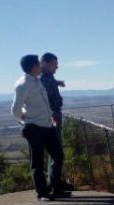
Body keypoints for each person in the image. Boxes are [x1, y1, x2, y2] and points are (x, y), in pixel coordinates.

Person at [11, 54, 70, 201]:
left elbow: (43, 102)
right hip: (35, 128)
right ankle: (42, 193)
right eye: (38, 64)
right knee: (37, 162)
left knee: (57, 155)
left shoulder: (36, 81)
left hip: (47, 125)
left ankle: (55, 187)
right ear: (33, 66)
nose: (40, 66)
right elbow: (15, 108)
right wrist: (24, 118)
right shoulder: (23, 84)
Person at [40, 52, 73, 192]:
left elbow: (49, 82)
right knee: (56, 152)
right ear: (45, 64)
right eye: (55, 64)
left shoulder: (47, 78)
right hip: (52, 118)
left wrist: (57, 82)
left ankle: (54, 182)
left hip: (51, 117)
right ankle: (55, 184)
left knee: (55, 153)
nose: (57, 67)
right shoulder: (44, 80)